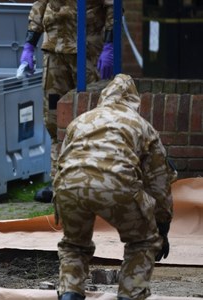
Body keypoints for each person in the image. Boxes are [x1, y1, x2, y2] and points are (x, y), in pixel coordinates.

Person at [53, 74, 176, 300]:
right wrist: (163, 228)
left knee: (74, 246)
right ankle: (129, 294)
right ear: (133, 101)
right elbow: (159, 186)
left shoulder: (80, 121)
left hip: (70, 186)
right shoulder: (142, 127)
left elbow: (61, 165)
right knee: (143, 241)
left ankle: (70, 295)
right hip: (118, 184)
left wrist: (59, 206)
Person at [19, 0, 114, 202]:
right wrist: (29, 44)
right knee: (54, 118)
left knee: (92, 118)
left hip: (88, 51)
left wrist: (110, 44)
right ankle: (59, 183)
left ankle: (91, 183)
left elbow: (113, 7)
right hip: (54, 52)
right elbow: (40, 5)